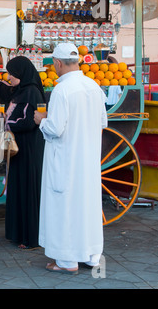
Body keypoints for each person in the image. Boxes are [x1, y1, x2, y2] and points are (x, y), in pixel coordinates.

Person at [33, 43, 108, 274]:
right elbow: (103, 122)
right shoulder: (94, 86)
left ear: (56, 63)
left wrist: (41, 120)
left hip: (65, 160)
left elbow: (55, 128)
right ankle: (92, 256)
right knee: (87, 207)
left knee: (64, 207)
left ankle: (66, 261)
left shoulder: (61, 90)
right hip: (88, 161)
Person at [0, 56, 45, 250]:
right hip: (19, 150)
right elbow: (7, 95)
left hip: (29, 149)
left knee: (28, 189)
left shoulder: (31, 92)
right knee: (19, 189)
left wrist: (5, 117)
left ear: (21, 74)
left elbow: (28, 120)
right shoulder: (21, 90)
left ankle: (31, 237)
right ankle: (18, 233)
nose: (9, 77)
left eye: (12, 74)